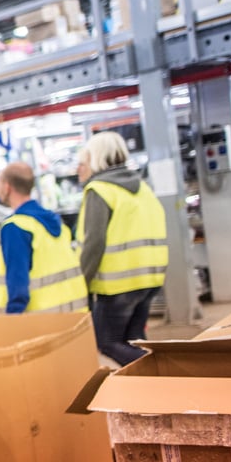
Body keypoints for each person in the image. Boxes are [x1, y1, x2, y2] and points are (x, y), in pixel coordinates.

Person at [76, 131, 169, 366]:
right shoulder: (141, 187)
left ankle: (164, 372)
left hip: (118, 285)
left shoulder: (99, 190)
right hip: (149, 280)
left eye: (83, 161)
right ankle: (145, 389)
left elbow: (93, 243)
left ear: (95, 158)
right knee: (133, 341)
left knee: (106, 342)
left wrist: (81, 284)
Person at [0, 161, 88, 314]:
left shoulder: (15, 227)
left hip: (43, 318)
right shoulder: (55, 221)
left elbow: (18, 284)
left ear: (7, 186)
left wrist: (11, 321)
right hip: (74, 312)